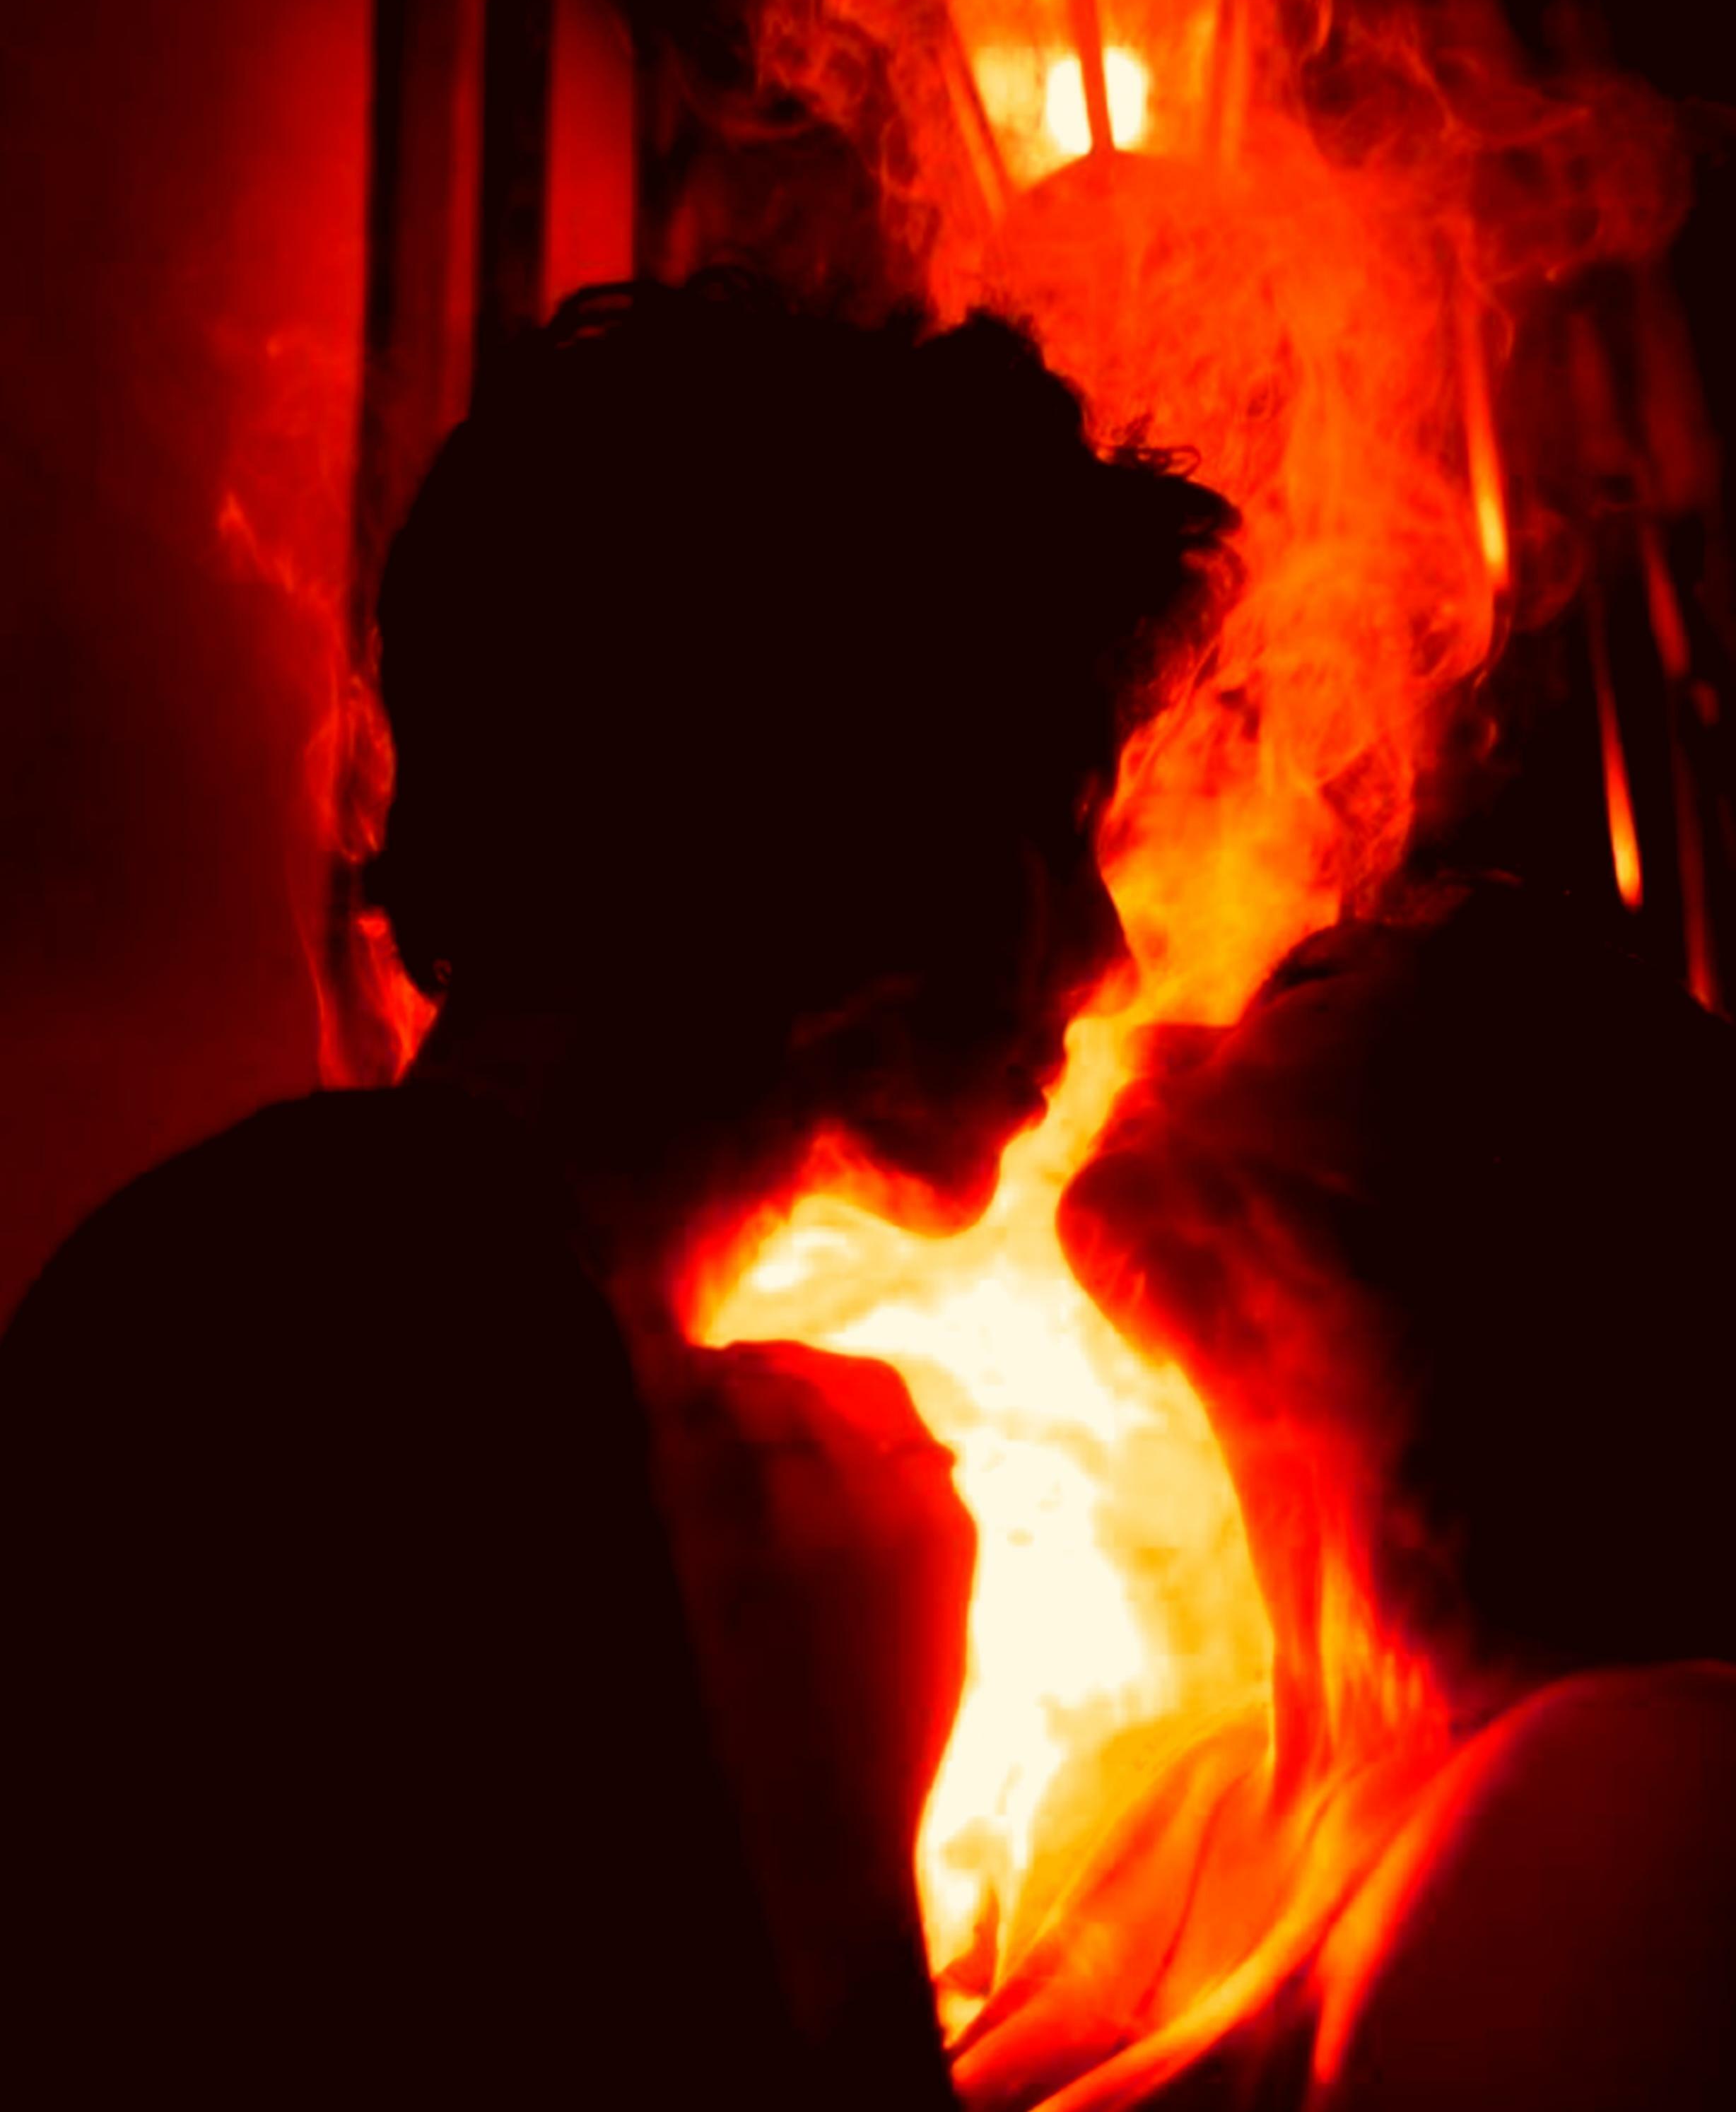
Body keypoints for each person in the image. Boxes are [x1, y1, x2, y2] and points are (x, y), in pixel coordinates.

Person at [0, 274, 1235, 2107]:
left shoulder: (320, 1275)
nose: (1106, 955)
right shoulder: (411, 1373)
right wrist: (828, 1853)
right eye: (1058, 829)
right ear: (839, 809)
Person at [954, 875, 1736, 2111]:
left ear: (1514, 1166)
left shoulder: (1653, 1766)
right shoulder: (1146, 1789)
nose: (1160, 1034)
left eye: (1303, 989)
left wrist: (836, 1817)